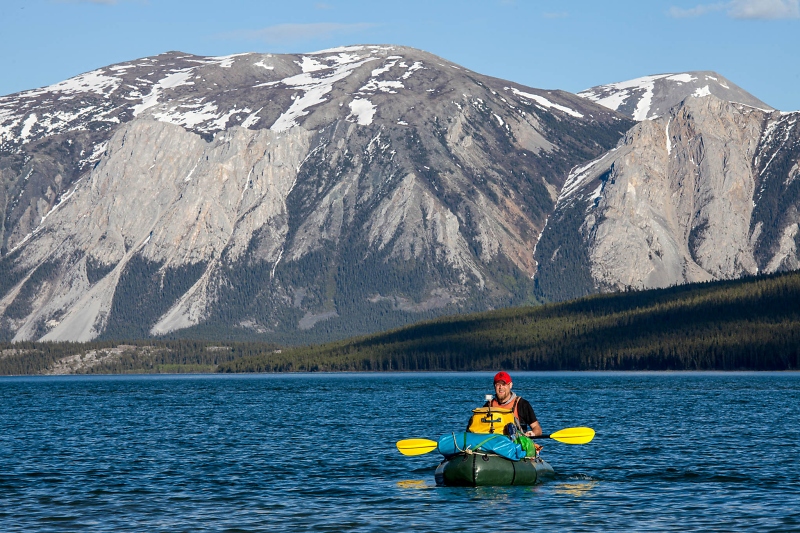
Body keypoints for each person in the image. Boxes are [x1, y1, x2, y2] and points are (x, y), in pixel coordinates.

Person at [486, 371, 542, 438]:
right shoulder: (489, 405)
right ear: (494, 386)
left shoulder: (522, 404)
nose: (501, 387)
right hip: (494, 444)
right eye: (498, 384)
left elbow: (537, 428)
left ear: (510, 385)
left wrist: (532, 433)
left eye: (504, 384)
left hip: (516, 444)